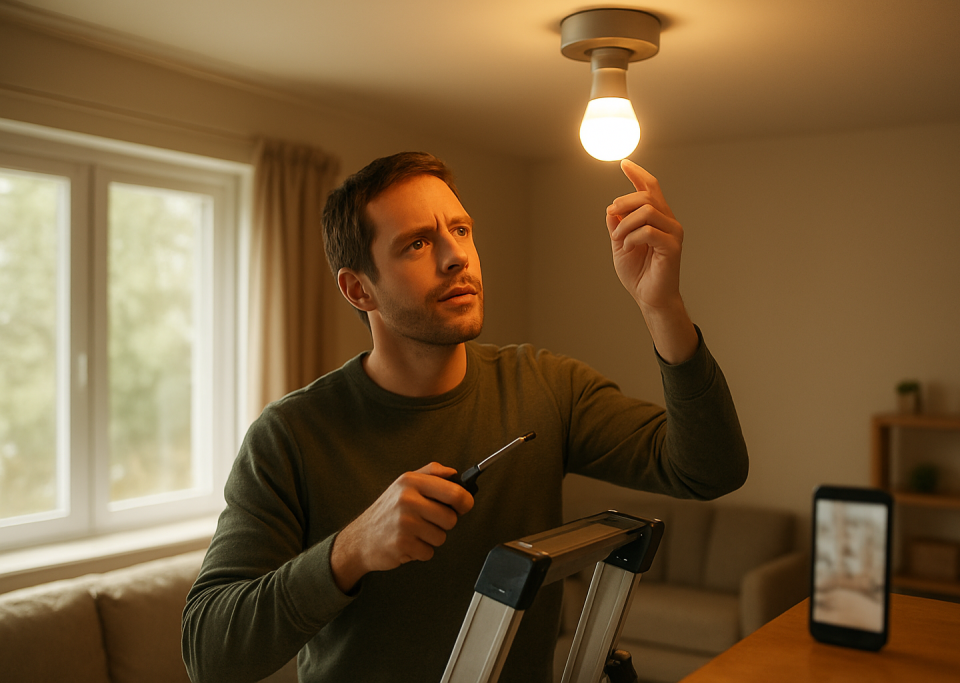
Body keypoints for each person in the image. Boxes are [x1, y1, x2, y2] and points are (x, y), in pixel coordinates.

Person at [182, 152, 747, 683]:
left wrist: (662, 307)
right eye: (417, 243)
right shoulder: (290, 436)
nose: (456, 256)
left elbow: (709, 469)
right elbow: (209, 653)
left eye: (460, 230)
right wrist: (351, 550)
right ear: (359, 289)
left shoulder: (546, 386)